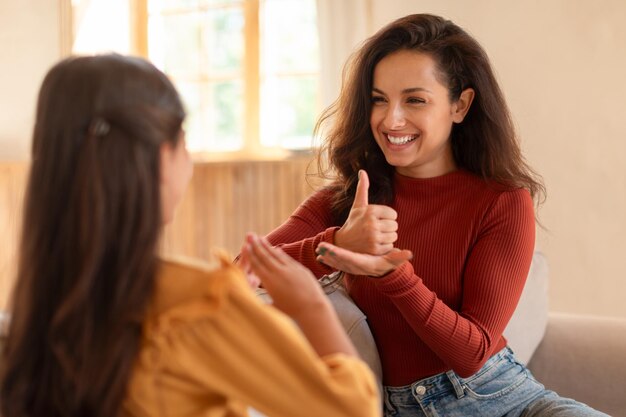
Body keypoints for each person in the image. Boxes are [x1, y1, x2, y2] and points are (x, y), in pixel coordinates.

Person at [262, 13, 609, 417]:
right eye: (378, 99)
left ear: (460, 105)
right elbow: (241, 275)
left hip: (503, 400)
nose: (391, 120)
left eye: (415, 100)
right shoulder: (347, 202)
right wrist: (335, 243)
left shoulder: (503, 201)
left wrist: (392, 275)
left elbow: (473, 353)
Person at [0, 54, 380, 417]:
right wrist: (310, 305)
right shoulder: (202, 303)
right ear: (160, 160)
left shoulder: (37, 312)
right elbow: (353, 409)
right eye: (184, 143)